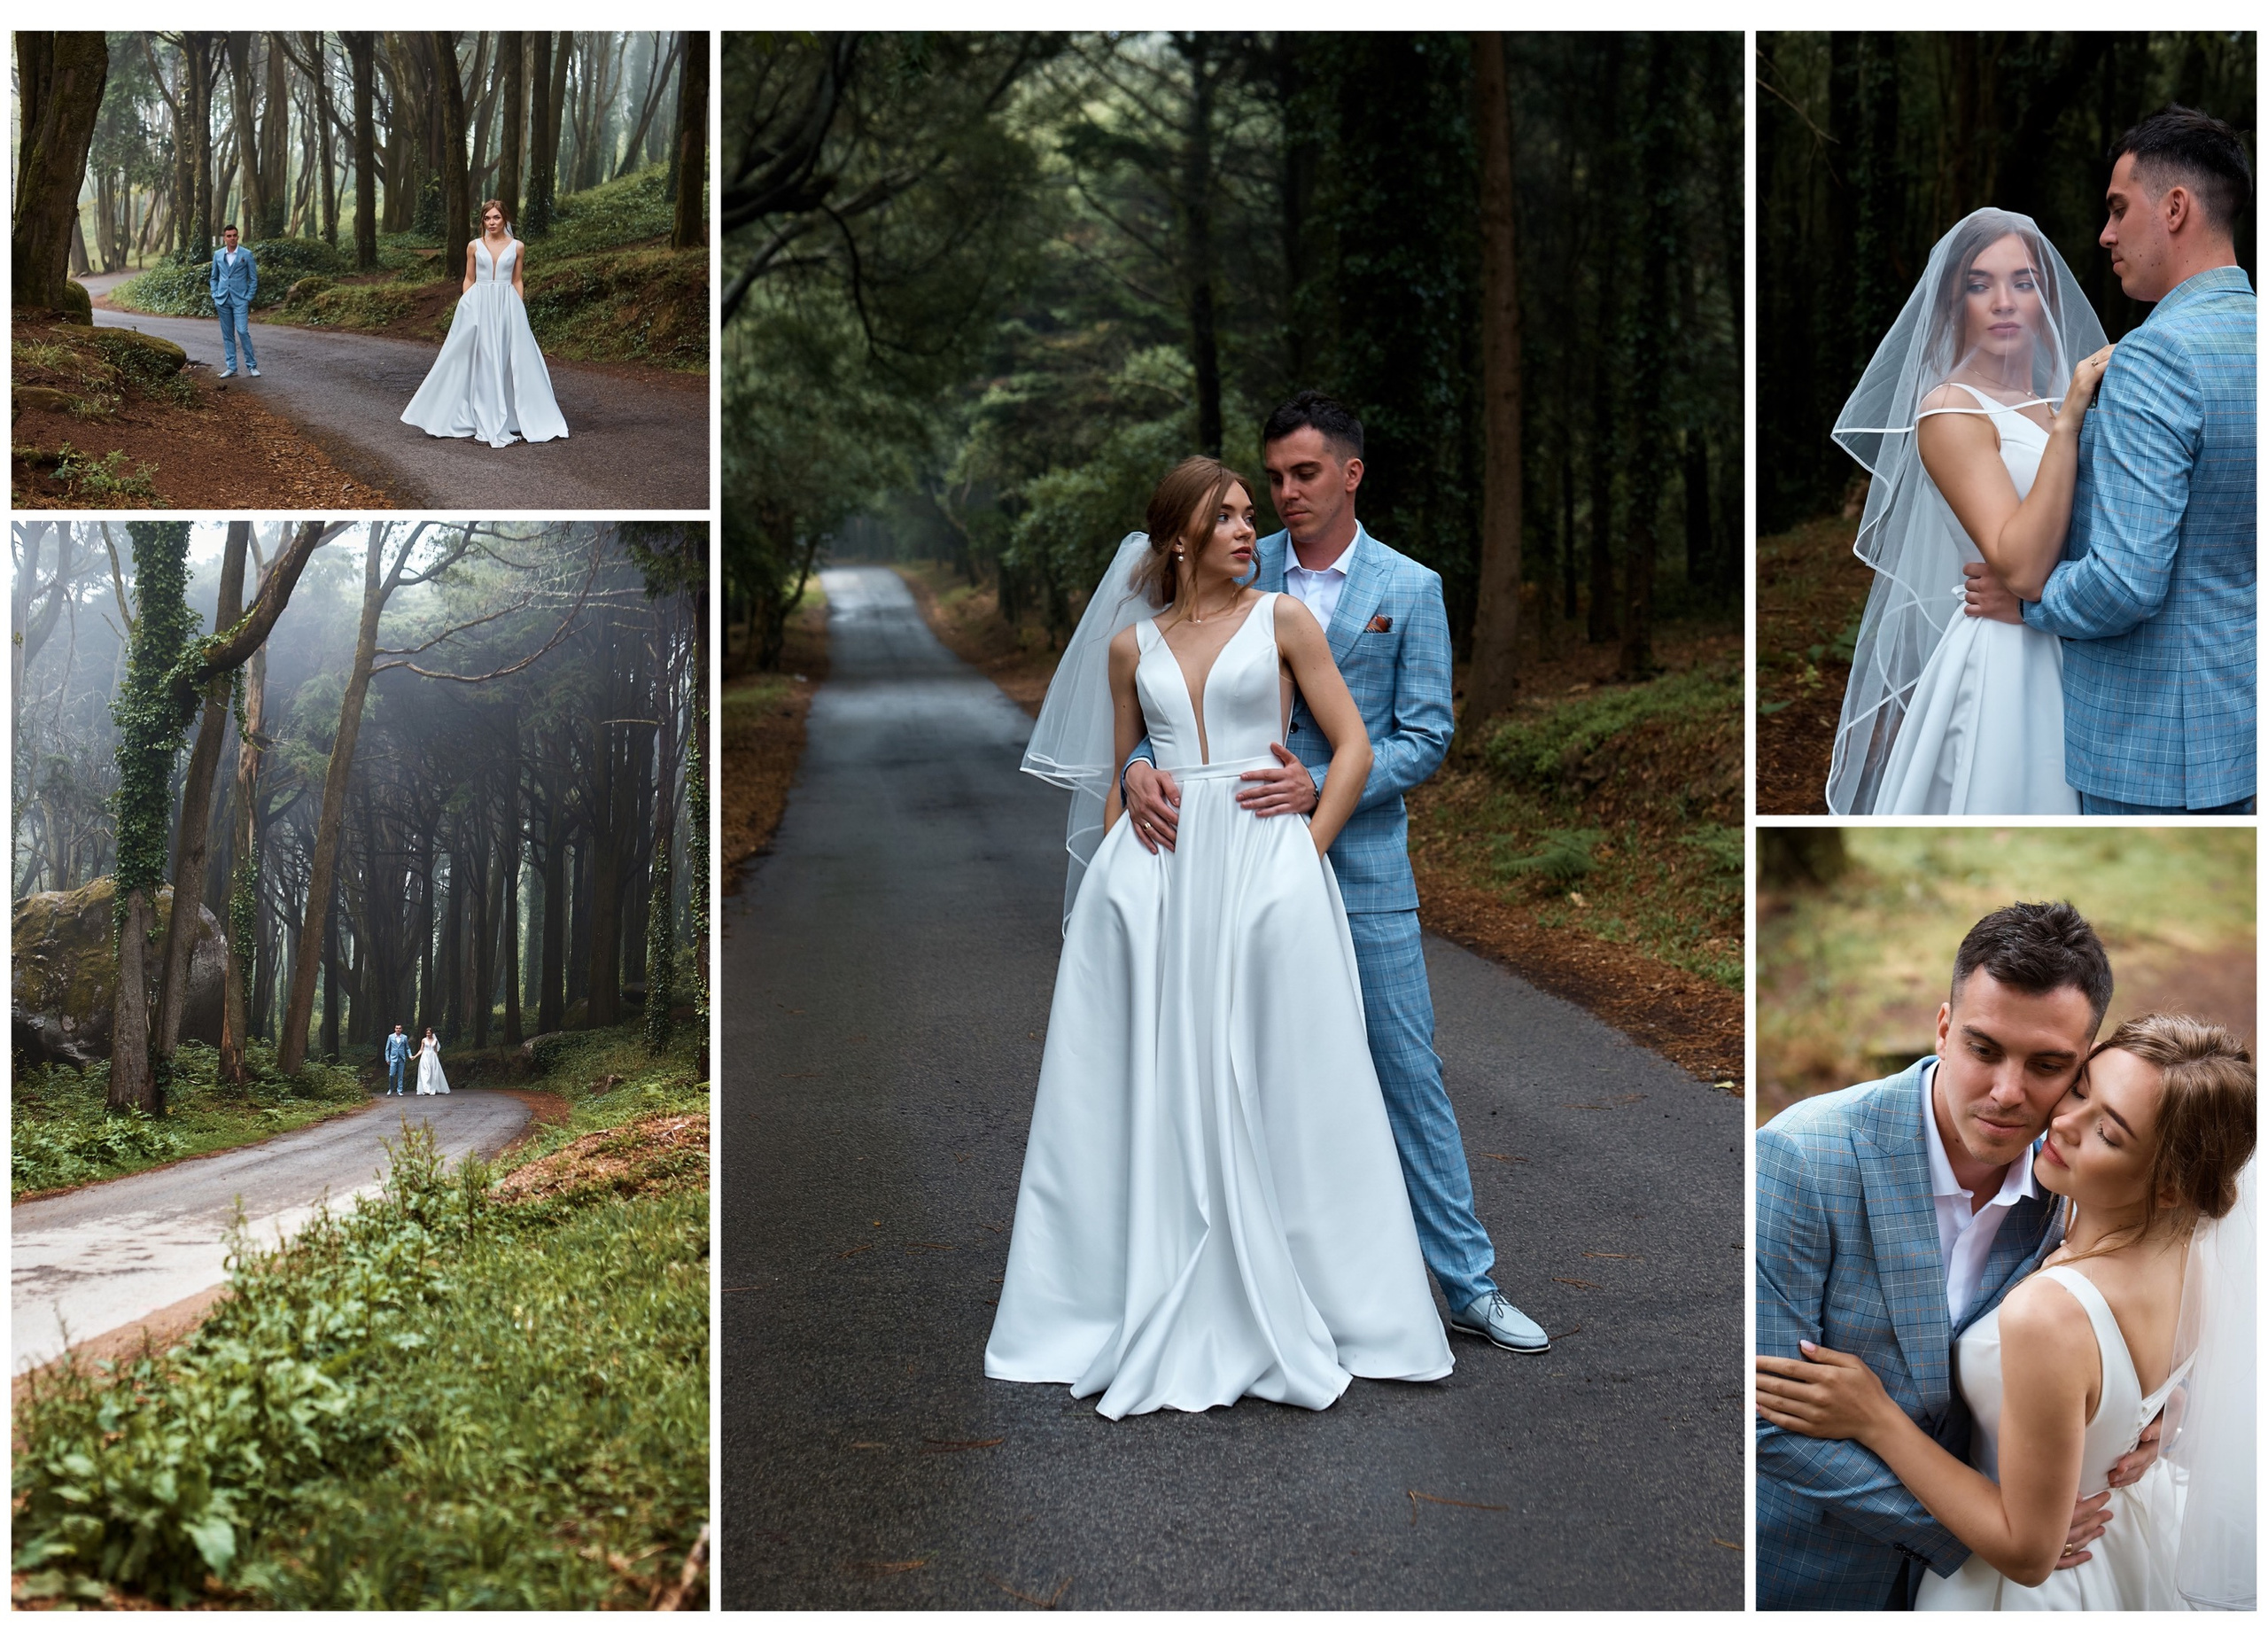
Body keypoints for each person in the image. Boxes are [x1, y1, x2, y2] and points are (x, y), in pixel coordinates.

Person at [987, 454, 1454, 1419]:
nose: (1252, 530)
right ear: (1178, 540)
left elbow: (1354, 743)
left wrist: (1305, 850)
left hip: (1265, 863)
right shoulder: (1131, 647)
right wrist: (1132, 783)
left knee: (1288, 1073)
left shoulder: (1283, 620)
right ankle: (1146, 1278)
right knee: (1166, 1072)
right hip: (1159, 876)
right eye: (1229, 517)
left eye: (1251, 513)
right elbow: (1121, 771)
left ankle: (1334, 1293)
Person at [1120, 393, 1550, 1354]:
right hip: (1220, 865)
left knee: (1405, 1069)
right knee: (1241, 1065)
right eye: (1271, 478)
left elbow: (1426, 734)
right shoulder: (1229, 555)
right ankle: (1270, 1284)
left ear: (1350, 473)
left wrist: (1321, 790)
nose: (1280, 496)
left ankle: (1469, 1286)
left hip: (1357, 867)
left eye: (1303, 475)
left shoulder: (1414, 585)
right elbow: (1154, 690)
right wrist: (1135, 769)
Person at [1759, 1016, 2256, 1610]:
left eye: (2109, 1132)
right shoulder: (2195, 1257)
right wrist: (2160, 1414)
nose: (2063, 1125)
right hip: (2122, 1550)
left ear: (2171, 1186)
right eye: (2079, 1089)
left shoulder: (2048, 1313)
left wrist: (1877, 1420)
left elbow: (2027, 1551)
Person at [1753, 901, 2166, 1608]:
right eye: (1983, 1049)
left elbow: (2144, 1292)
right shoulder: (1800, 1159)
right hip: (1810, 1576)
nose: (2009, 1094)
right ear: (1943, 1027)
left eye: (2046, 1065)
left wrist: (2152, 1406)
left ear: (2081, 1069)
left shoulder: (2069, 1182)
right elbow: (1770, 1416)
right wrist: (1993, 1531)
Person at [1971, 105, 2256, 815]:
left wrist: (2031, 604)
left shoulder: (2154, 356)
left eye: (2119, 209)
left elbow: (2127, 582)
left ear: (2177, 208)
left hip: (2154, 749)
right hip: (2239, 721)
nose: (2104, 235)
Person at [1825, 208, 2109, 814]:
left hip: (2073, 642)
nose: (2003, 301)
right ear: (1954, 304)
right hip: (2006, 660)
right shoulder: (1950, 409)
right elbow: (2023, 567)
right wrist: (2073, 417)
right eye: (1980, 285)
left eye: (2023, 282)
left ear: (2045, 301)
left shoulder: (2057, 405)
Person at [400, 198, 569, 448]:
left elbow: (517, 280)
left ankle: (515, 416)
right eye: (487, 218)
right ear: (483, 221)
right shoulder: (473, 246)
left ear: (505, 219)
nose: (492, 222)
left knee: (509, 359)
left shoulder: (517, 247)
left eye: (496, 218)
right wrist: (468, 305)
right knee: (471, 358)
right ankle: (460, 414)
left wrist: (517, 308)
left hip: (507, 306)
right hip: (477, 306)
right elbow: (469, 279)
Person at [208, 224, 260, 380]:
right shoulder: (217, 255)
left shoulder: (246, 254)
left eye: (234, 235)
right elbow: (214, 277)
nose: (232, 238)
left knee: (243, 331)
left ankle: (252, 366)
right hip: (222, 299)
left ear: (238, 236)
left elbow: (253, 278)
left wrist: (248, 297)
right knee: (227, 335)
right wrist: (215, 294)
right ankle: (231, 367)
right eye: (229, 236)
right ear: (224, 238)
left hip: (240, 300)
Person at [416, 1026, 450, 1096]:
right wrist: (415, 1056)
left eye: (429, 1033)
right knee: (425, 1073)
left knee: (433, 1073)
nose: (428, 1034)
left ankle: (432, 1088)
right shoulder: (424, 1040)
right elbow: (421, 1050)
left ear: (432, 1033)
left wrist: (436, 1058)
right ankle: (425, 1089)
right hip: (425, 1057)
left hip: (433, 1057)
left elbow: (435, 1050)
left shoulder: (435, 1041)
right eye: (427, 1033)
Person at [384, 1023, 411, 1095]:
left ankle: (399, 1090)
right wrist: (387, 1058)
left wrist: (410, 1055)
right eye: (397, 1028)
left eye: (399, 1028)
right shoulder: (391, 1037)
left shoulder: (404, 1037)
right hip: (393, 1058)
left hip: (401, 1058)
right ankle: (390, 1089)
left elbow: (407, 1048)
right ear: (395, 1029)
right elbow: (387, 1049)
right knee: (391, 1074)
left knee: (400, 1075)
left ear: (401, 1029)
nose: (398, 1029)